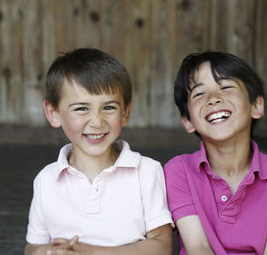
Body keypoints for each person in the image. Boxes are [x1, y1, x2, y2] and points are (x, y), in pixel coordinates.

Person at [25, 48, 173, 255]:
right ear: (53, 113)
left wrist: (91, 252)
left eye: (109, 107)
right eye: (81, 108)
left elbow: (162, 247)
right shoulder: (46, 180)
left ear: (125, 112)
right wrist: (51, 251)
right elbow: (33, 247)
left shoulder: (146, 171)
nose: (97, 121)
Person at [164, 51, 267, 255]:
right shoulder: (179, 170)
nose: (213, 99)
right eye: (199, 94)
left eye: (226, 87)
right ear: (188, 121)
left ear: (256, 105)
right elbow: (198, 249)